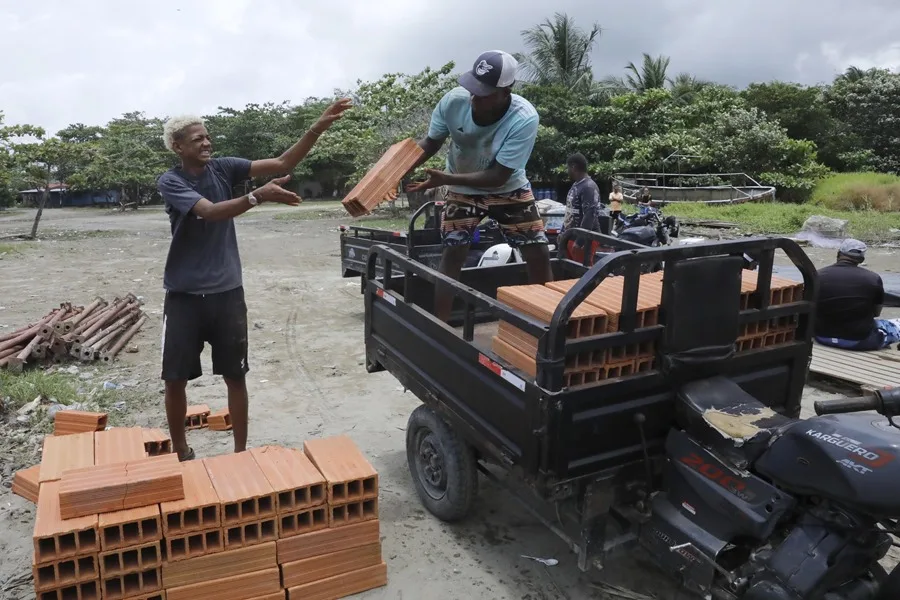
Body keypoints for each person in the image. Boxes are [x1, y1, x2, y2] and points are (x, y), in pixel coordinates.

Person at [157, 99, 352, 461]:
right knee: (175, 379)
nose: (206, 143)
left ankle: (241, 453)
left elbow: (282, 164)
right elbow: (211, 213)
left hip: (227, 292)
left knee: (236, 375)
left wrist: (318, 127)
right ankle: (182, 450)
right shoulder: (172, 181)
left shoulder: (224, 168)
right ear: (178, 147)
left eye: (207, 136)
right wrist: (258, 194)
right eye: (197, 139)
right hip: (183, 294)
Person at [406, 50, 552, 321]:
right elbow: (431, 142)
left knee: (538, 252)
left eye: (484, 94)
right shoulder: (453, 102)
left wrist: (446, 180)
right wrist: (398, 168)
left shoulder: (524, 118)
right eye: (473, 90)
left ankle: (544, 322)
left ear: (506, 91)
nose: (475, 99)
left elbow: (497, 176)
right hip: (462, 188)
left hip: (508, 189)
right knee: (453, 252)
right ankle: (441, 326)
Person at [814, 238, 900, 350]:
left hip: (822, 337)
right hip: (859, 341)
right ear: (862, 259)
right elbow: (876, 313)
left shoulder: (817, 275)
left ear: (839, 254)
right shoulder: (873, 279)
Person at [561, 153, 602, 264]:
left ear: (573, 167)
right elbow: (569, 211)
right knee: (570, 270)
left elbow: (590, 214)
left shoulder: (588, 186)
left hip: (585, 239)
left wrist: (580, 241)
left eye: (568, 167)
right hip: (571, 235)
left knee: (583, 272)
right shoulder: (577, 185)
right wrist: (563, 233)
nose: (567, 170)